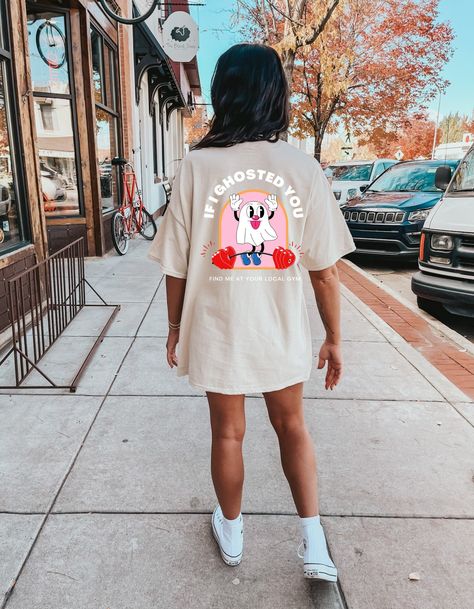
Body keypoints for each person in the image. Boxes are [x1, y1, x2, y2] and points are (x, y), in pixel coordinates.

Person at [148, 43, 355, 581]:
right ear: (276, 95)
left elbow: (176, 266)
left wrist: (173, 328)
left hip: (219, 329)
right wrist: (333, 336)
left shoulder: (195, 166)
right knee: (293, 428)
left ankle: (233, 533)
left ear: (224, 94)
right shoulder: (302, 168)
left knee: (227, 434)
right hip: (280, 329)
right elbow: (325, 270)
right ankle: (314, 544)